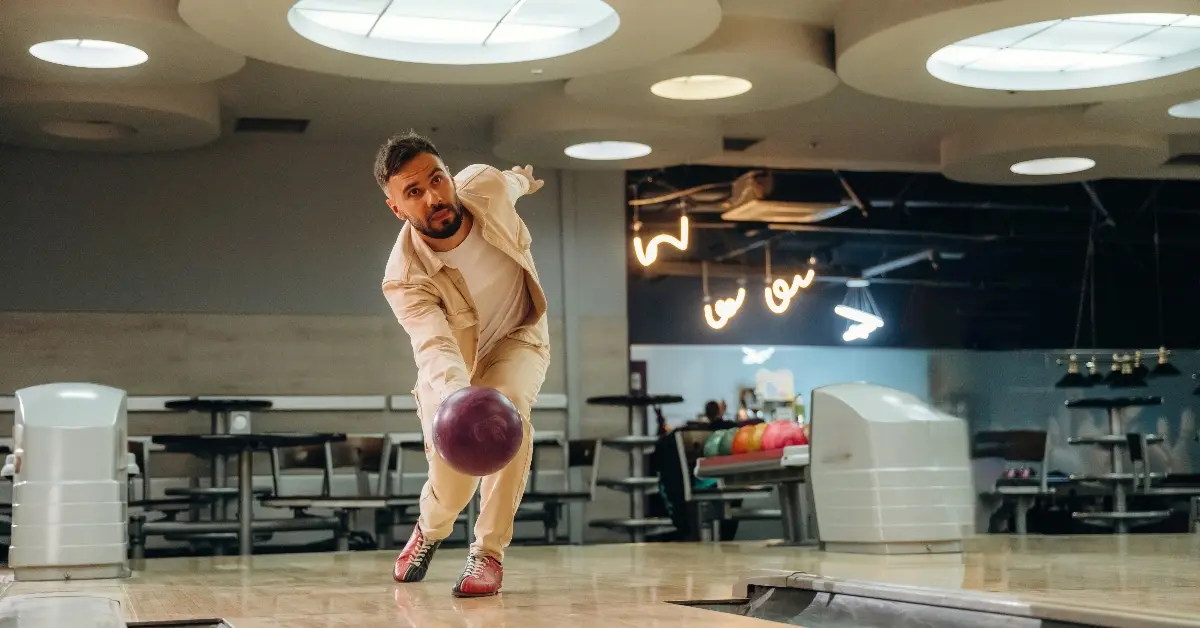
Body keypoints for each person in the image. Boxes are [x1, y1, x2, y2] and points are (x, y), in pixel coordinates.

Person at [375, 131, 550, 597]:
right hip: (453, 369)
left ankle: (487, 553)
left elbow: (507, 182)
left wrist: (523, 181)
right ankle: (429, 532)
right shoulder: (404, 279)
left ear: (450, 176)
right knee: (453, 481)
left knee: (508, 414)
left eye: (437, 179)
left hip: (518, 336)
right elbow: (433, 346)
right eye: (414, 192)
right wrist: (461, 401)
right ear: (397, 208)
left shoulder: (485, 188)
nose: (434, 197)